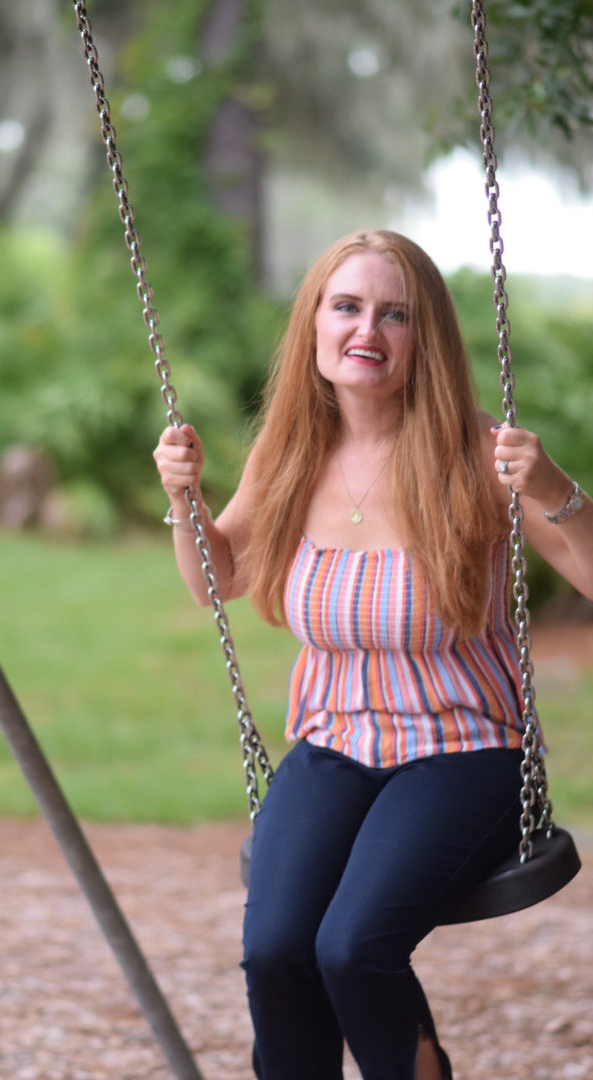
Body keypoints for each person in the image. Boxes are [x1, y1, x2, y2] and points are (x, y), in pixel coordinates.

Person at [153, 229, 593, 1080]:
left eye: (396, 315)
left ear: (423, 339)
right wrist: (184, 502)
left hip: (465, 752)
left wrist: (554, 491)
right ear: (314, 326)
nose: (369, 331)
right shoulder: (292, 451)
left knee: (352, 949)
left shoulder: (476, 450)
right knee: (277, 952)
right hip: (333, 745)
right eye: (347, 306)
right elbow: (223, 577)